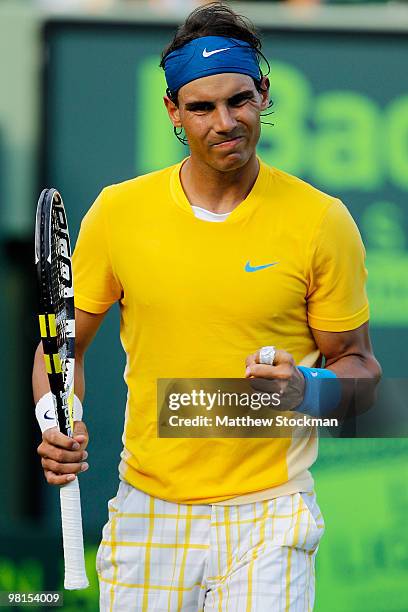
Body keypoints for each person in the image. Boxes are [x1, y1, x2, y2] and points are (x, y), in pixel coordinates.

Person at [33, 2, 381, 610]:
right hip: (147, 512)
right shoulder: (119, 214)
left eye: (240, 100)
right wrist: (52, 418)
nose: (226, 122)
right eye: (202, 107)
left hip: (271, 513)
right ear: (172, 110)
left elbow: (361, 373)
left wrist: (308, 389)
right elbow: (62, 348)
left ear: (264, 94)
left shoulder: (321, 222)